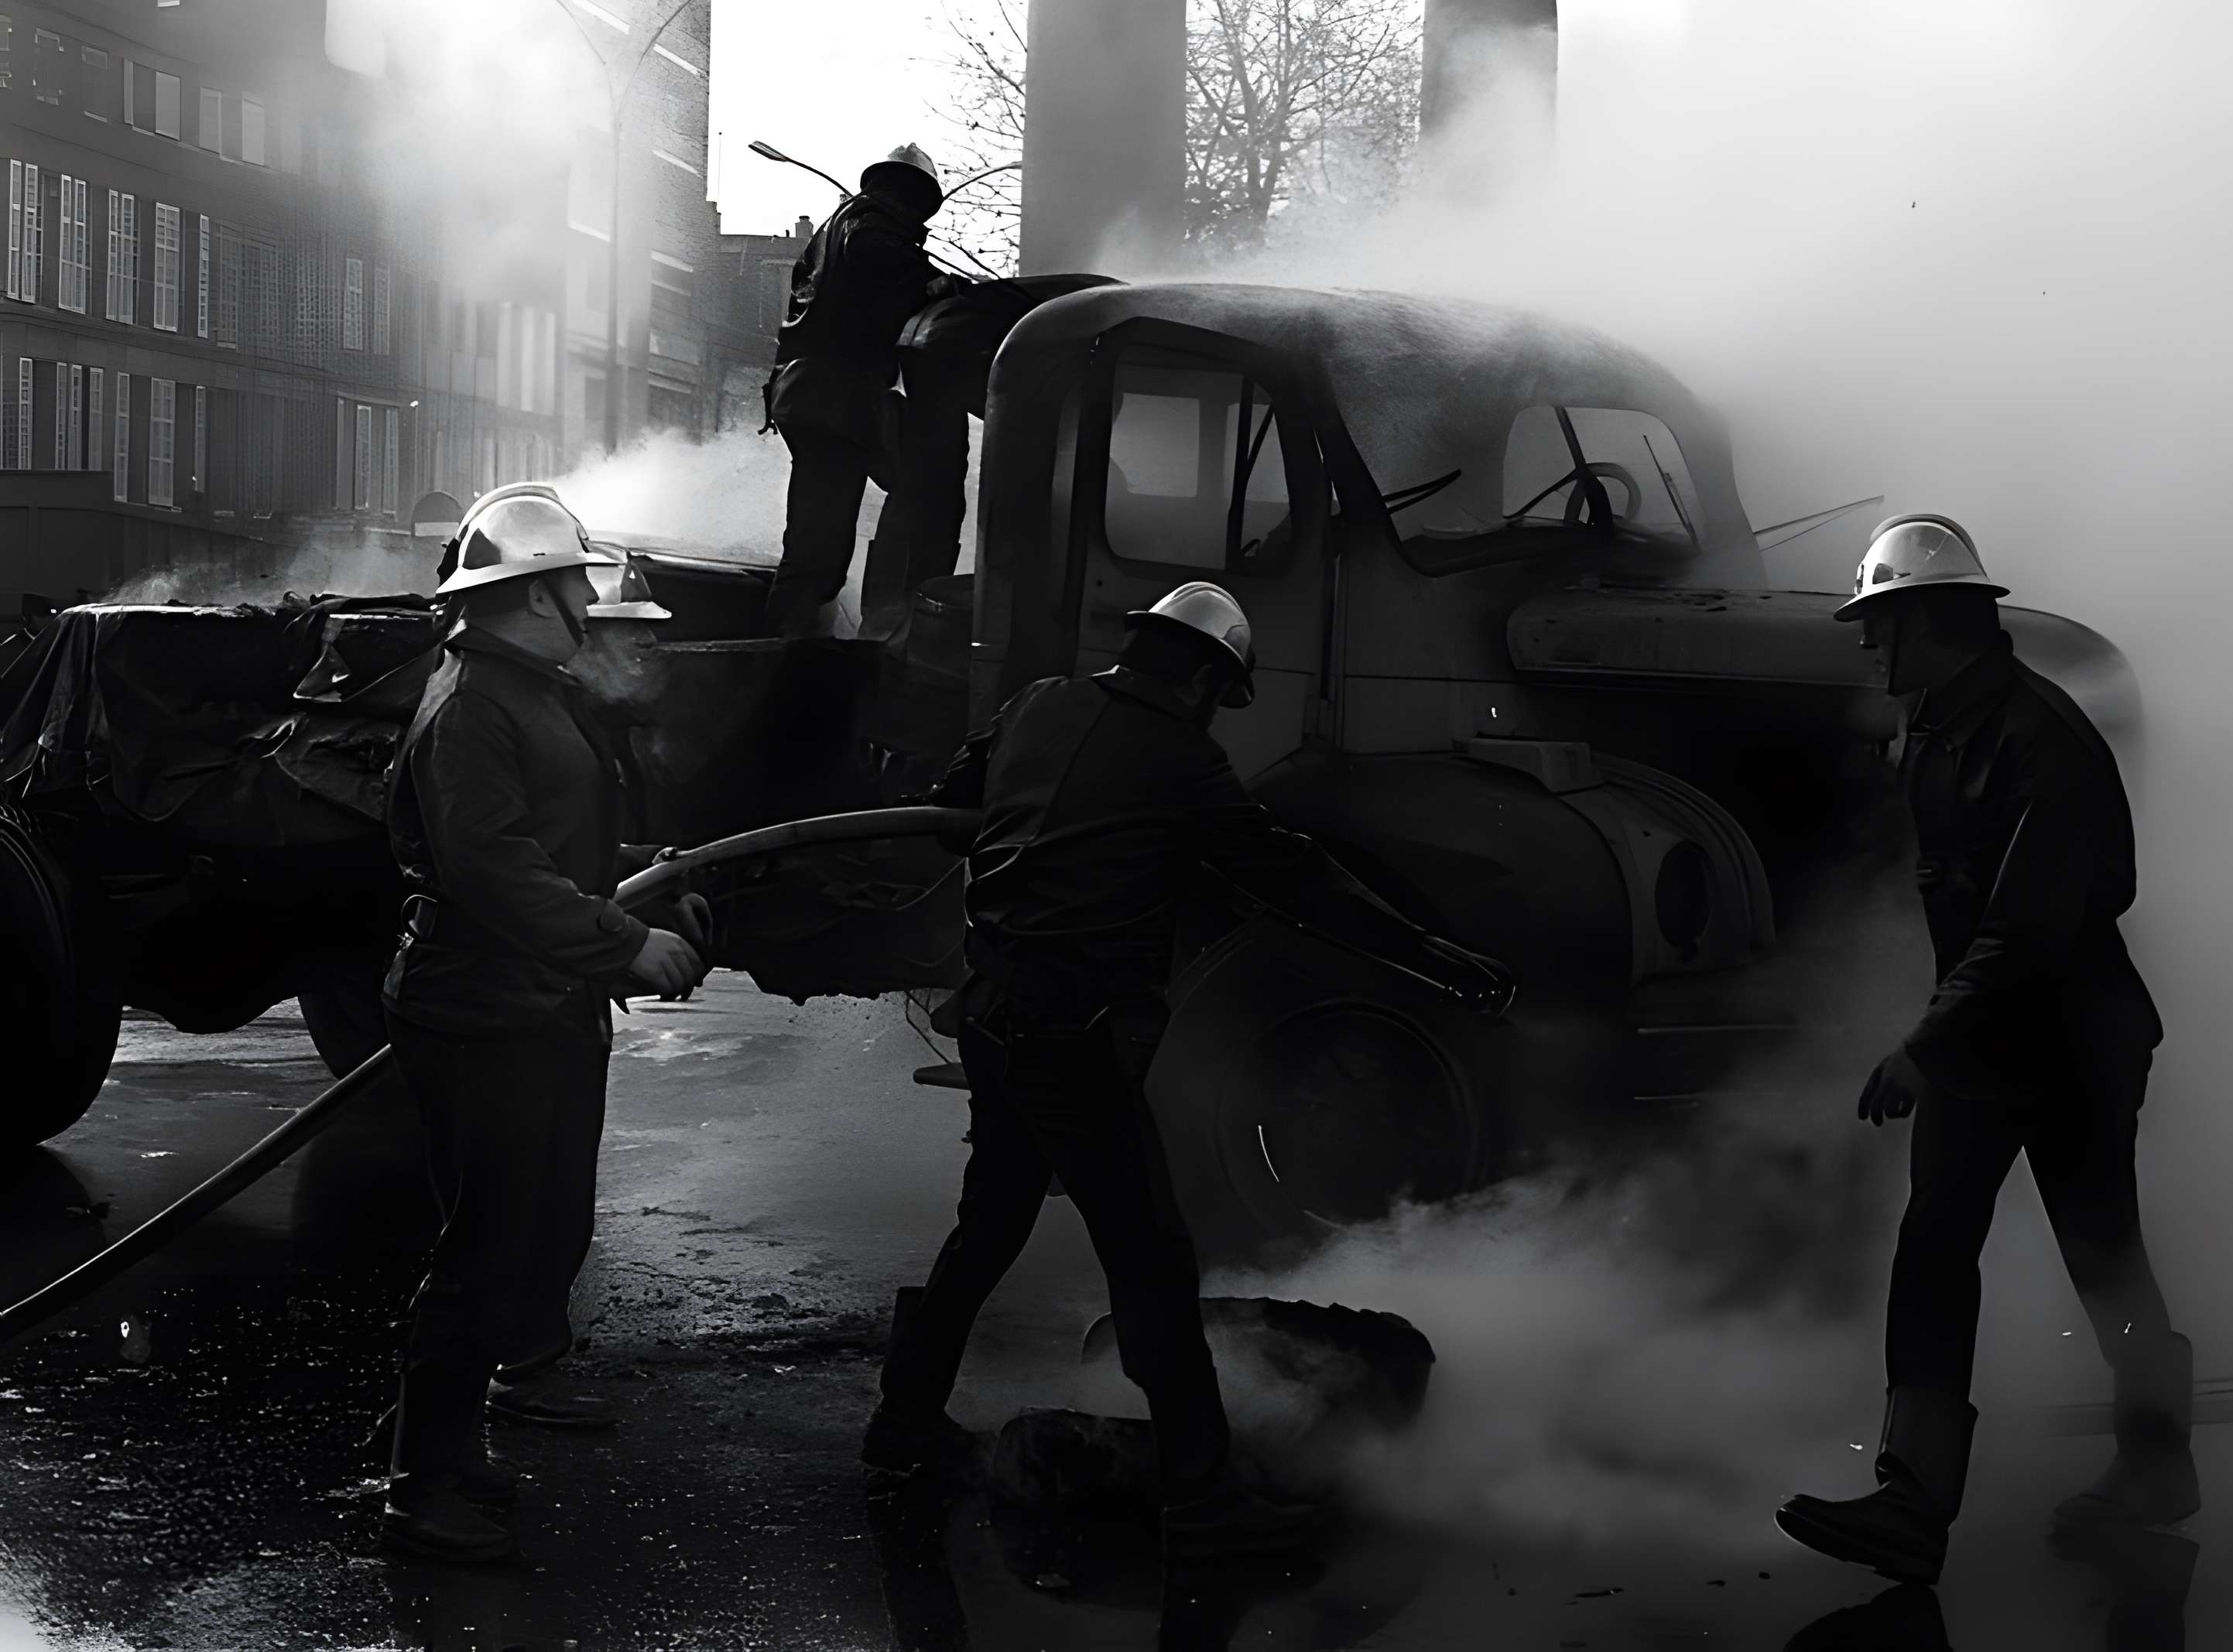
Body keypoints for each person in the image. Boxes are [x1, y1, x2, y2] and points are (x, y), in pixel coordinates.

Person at [862, 581, 1512, 1562]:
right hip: (1071, 1039)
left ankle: (901, 1422)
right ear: (1206, 676)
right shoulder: (1183, 760)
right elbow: (1295, 880)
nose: (1216, 712)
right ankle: (1205, 1496)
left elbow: (959, 804)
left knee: (989, 1226)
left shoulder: (1040, 701)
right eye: (1221, 693)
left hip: (995, 1020)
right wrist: (1435, 955)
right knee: (1152, 1261)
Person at [1776, 515, 2194, 1585]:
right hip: (1993, 1033)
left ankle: (2155, 1471)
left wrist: (1923, 1043)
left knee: (2102, 1255)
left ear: (1930, 623)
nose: (1868, 648)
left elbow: (2026, 928)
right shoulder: (1944, 726)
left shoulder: (2035, 737)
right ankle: (1913, 1506)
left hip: (2072, 1041)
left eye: (1880, 626)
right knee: (1934, 1248)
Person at [376, 484, 714, 1562]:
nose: (587, 598)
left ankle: (447, 1445)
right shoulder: (477, 703)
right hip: (486, 1014)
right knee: (487, 1248)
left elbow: (545, 846)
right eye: (575, 580)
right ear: (532, 597)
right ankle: (422, 1486)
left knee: (530, 1235)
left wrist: (639, 889)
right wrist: (623, 946)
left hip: (534, 1006)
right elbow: (495, 869)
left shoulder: (523, 692)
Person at [762, 143, 970, 641]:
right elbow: (875, 258)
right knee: (819, 552)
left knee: (828, 542)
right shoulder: (871, 223)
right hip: (833, 398)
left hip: (818, 396)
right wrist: (936, 284)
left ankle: (841, 631)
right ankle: (781, 657)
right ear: (916, 195)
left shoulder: (845, 225)